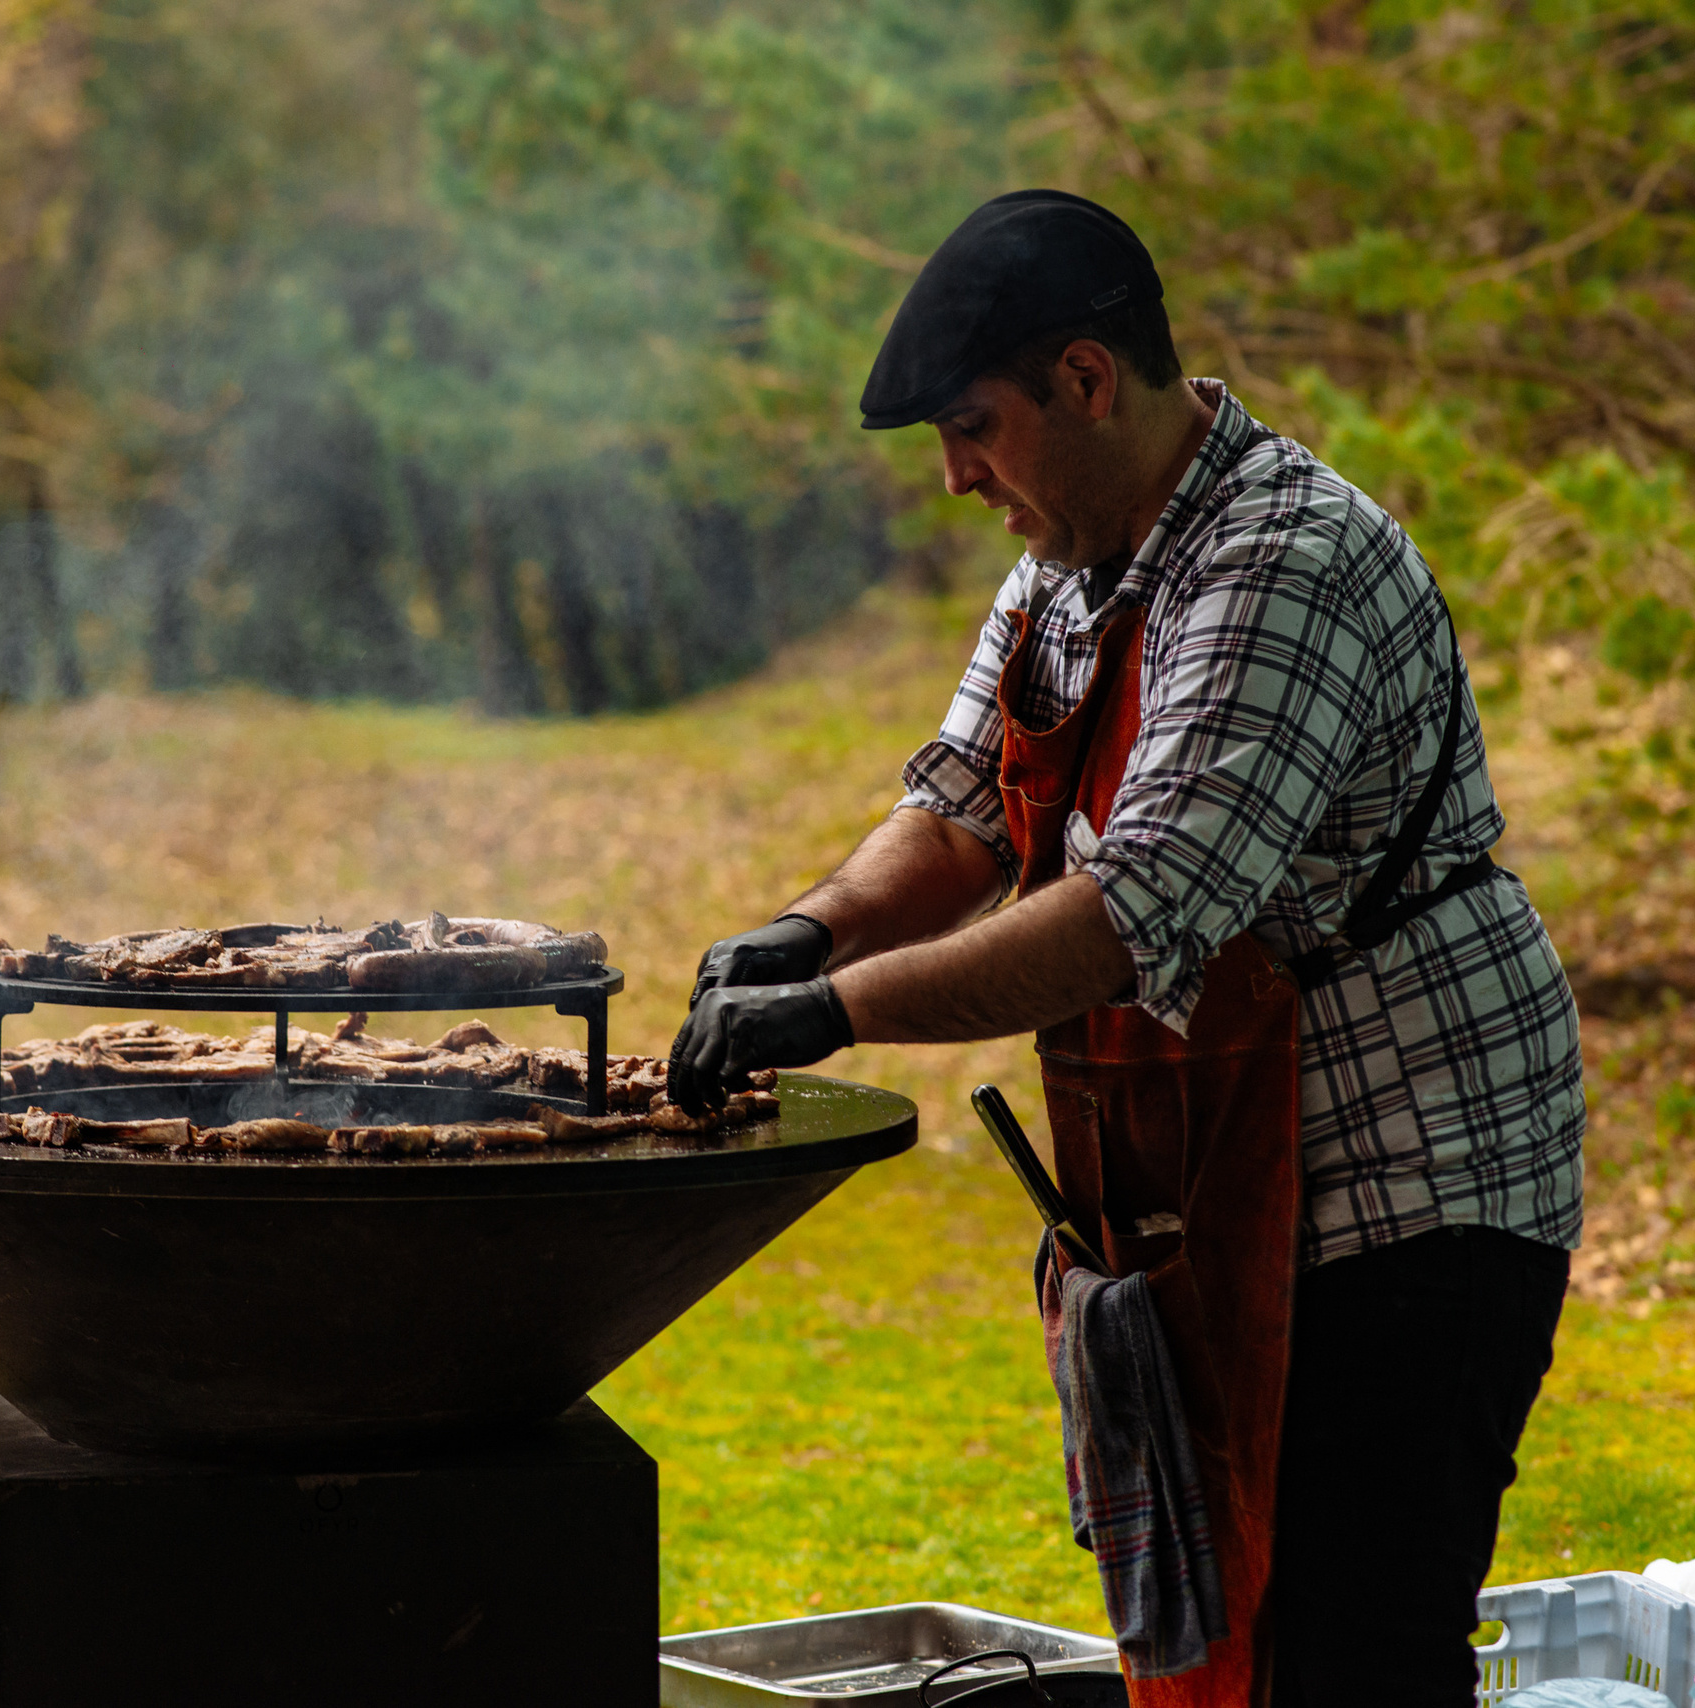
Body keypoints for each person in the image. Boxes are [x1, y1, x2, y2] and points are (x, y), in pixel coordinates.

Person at [666, 190, 1585, 1706]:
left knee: (1354, 1645)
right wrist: (805, 930)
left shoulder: (1283, 559)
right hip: (1215, 1183)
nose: (960, 478)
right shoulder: (1071, 566)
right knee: (1223, 1642)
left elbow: (1133, 911)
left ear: (1087, 380)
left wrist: (830, 1012)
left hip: (1423, 1177)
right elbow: (959, 807)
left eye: (976, 427)